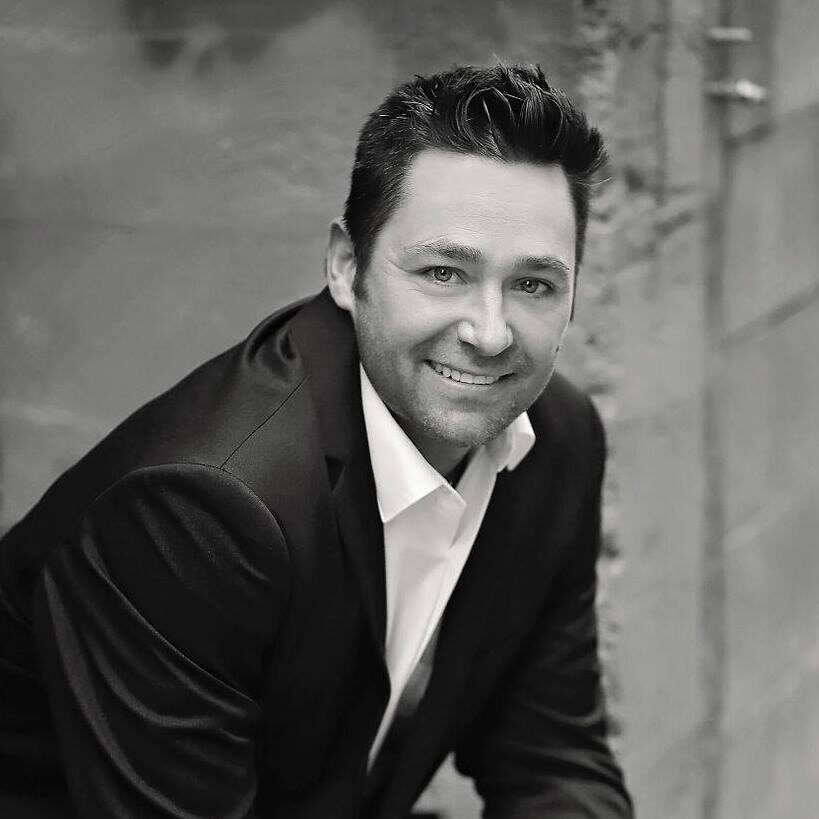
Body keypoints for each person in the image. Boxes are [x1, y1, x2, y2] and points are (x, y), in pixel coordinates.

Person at [0, 64, 633, 818]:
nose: (489, 333)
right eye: (443, 271)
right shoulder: (203, 511)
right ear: (345, 266)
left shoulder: (554, 440)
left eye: (533, 285)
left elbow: (553, 755)